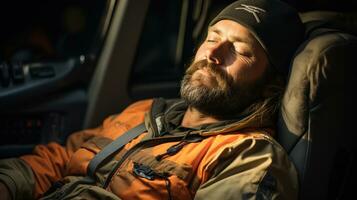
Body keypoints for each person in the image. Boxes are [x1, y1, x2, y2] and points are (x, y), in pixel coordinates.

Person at [0, 0, 304, 199]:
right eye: (212, 38)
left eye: (239, 50)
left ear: (269, 85)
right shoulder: (144, 112)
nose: (212, 54)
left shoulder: (247, 157)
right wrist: (8, 182)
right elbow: (61, 159)